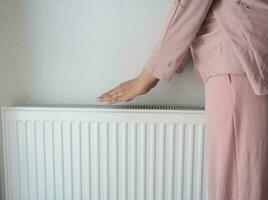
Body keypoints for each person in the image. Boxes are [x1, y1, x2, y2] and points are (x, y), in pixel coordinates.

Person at [96, 0, 268, 199]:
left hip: (240, 64)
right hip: (250, 60)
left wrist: (147, 78)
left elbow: (189, 6)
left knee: (240, 187)